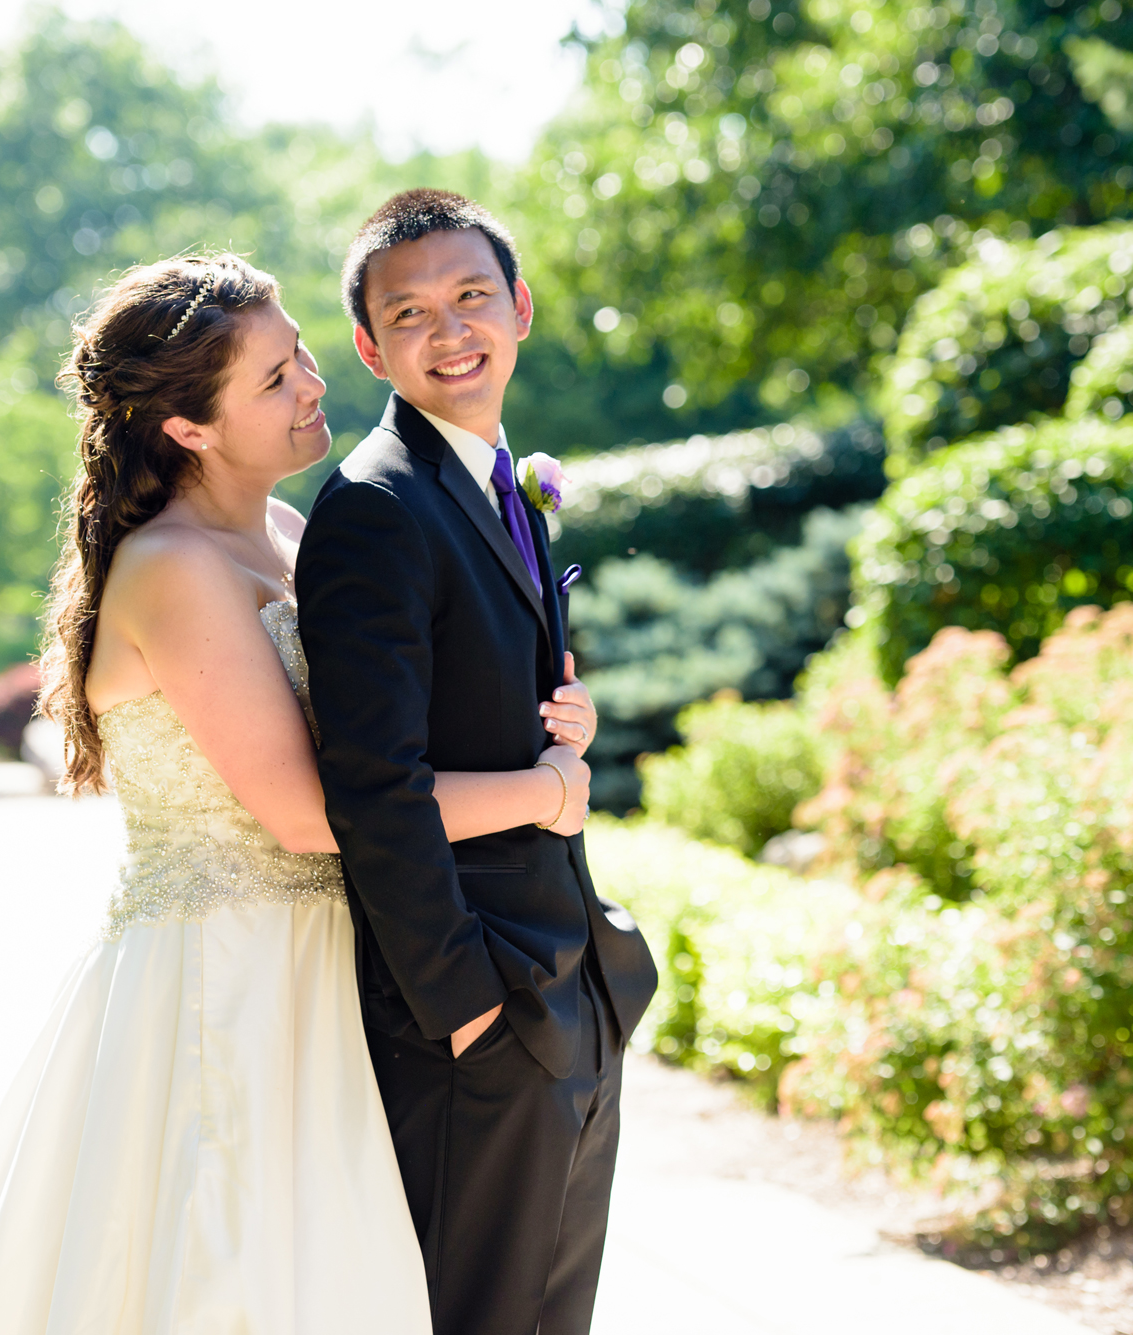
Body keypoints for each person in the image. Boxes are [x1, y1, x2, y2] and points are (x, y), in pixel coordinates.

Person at [0, 252, 600, 1333]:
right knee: (234, 1275)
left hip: (330, 963)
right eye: (272, 380)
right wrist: (539, 792)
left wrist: (553, 720)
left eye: (302, 353)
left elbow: (383, 742)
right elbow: (317, 813)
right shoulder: (173, 568)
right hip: (228, 979)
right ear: (188, 428)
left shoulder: (283, 534)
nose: (313, 383)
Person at [296, 190, 659, 1335]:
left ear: (520, 307)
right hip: (480, 1015)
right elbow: (371, 787)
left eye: (470, 297)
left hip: (572, 984)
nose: (448, 331)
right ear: (367, 347)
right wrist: (464, 1018)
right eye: (408, 314)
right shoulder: (374, 507)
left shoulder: (501, 481)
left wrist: (559, 717)